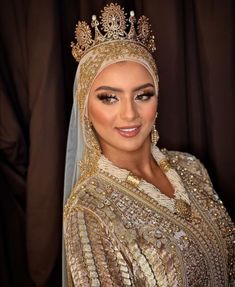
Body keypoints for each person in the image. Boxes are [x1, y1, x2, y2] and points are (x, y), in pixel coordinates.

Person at [63, 3, 234, 286]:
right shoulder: (90, 209)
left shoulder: (190, 167)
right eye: (109, 98)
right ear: (85, 108)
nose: (129, 114)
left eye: (142, 95)